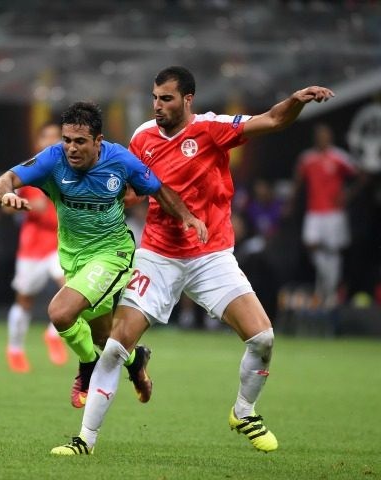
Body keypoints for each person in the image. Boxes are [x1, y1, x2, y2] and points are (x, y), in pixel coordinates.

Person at [51, 66, 333, 455]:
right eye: (154, 98)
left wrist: (295, 101)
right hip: (157, 256)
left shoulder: (212, 128)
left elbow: (271, 119)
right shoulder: (142, 137)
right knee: (116, 346)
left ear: (187, 99)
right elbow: (133, 189)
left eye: (166, 98)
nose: (158, 106)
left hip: (211, 256)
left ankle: (244, 411)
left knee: (263, 337)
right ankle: (85, 440)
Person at [0, 101, 207, 408]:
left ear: (98, 141)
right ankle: (136, 361)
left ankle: (87, 367)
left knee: (61, 312)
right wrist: (7, 195)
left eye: (80, 141)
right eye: (67, 140)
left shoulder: (120, 160)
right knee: (105, 336)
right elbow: (2, 182)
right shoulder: (52, 159)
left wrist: (186, 216)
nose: (71, 148)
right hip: (73, 258)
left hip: (112, 254)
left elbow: (157, 189)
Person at [4, 121, 68, 373]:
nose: (52, 141)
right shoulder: (29, 172)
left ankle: (53, 334)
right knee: (24, 300)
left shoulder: (70, 171)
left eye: (57, 137)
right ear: (39, 143)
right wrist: (25, 205)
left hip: (60, 244)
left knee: (71, 288)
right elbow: (6, 204)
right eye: (47, 137)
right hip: (32, 248)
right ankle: (15, 349)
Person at [292, 124, 358, 308]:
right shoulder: (307, 158)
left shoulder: (339, 157)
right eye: (319, 135)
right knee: (312, 243)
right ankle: (327, 282)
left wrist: (348, 194)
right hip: (314, 212)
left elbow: (360, 174)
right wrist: (290, 204)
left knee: (334, 250)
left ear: (330, 137)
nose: (322, 138)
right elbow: (298, 183)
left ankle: (330, 292)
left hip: (334, 213)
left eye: (325, 135)